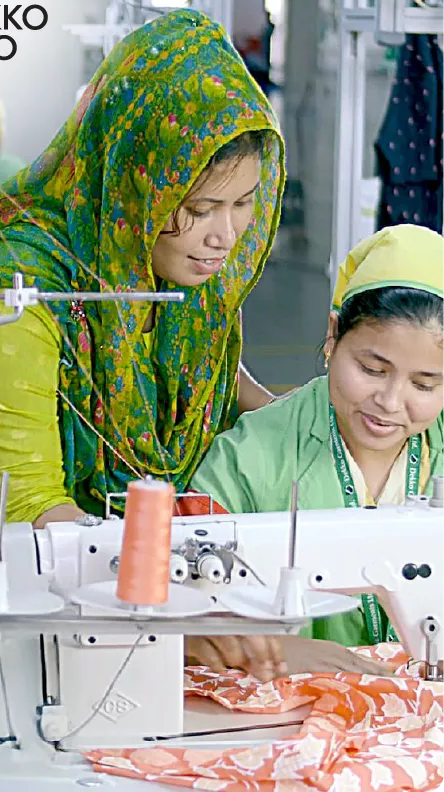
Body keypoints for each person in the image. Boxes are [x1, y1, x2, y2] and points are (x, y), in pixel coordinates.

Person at [0, 8, 285, 682]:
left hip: (74, 561)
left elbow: (233, 398)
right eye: (197, 209)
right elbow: (33, 510)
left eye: (244, 203)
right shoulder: (19, 286)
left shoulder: (167, 275)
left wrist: (345, 416)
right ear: (136, 177)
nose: (223, 236)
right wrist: (181, 620)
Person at [187, 223, 444, 655]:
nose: (390, 401)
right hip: (290, 708)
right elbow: (185, 601)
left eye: (424, 384)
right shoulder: (250, 456)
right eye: (372, 370)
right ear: (332, 335)